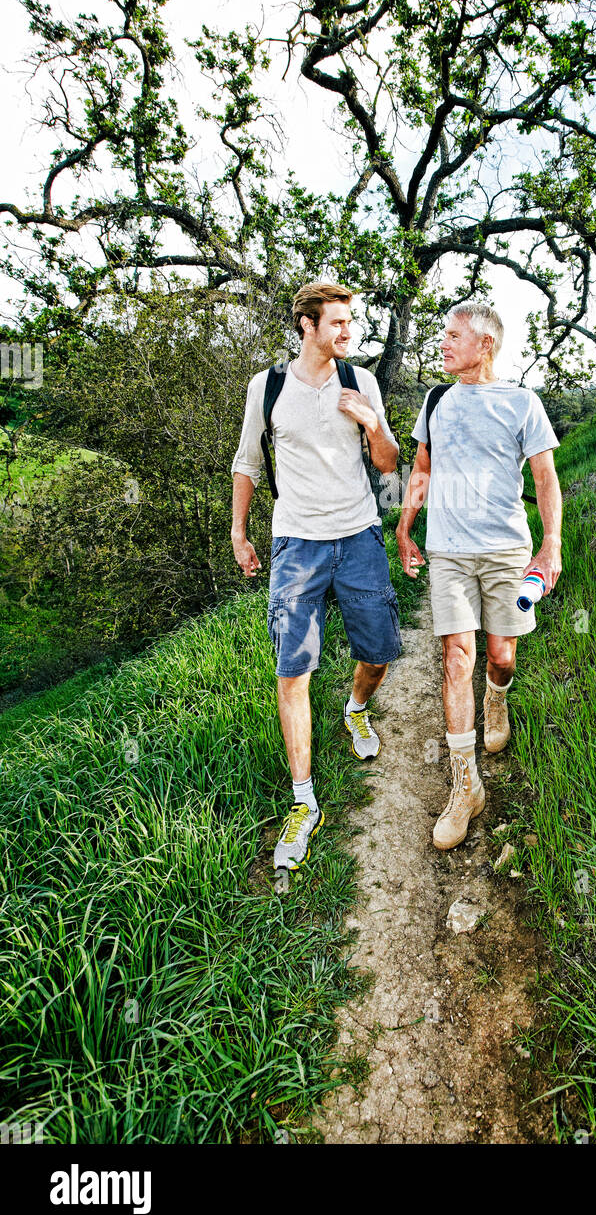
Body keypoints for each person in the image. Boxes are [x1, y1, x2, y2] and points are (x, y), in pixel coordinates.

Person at [231, 282, 401, 872]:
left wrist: (372, 424)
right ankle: (304, 802)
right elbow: (247, 461)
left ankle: (356, 708)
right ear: (306, 325)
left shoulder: (360, 381)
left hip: (358, 536)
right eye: (337, 323)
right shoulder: (268, 386)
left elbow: (388, 462)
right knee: (292, 669)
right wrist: (239, 531)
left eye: (350, 322)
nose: (347, 332)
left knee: (378, 651)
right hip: (295, 544)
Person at [396, 304, 562, 850]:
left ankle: (498, 699)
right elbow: (421, 468)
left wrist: (550, 544)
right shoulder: (436, 400)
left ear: (485, 344)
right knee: (456, 657)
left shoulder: (522, 402)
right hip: (448, 551)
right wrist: (406, 525)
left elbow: (544, 477)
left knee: (501, 656)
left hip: (506, 551)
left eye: (452, 336)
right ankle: (465, 787)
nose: (442, 344)